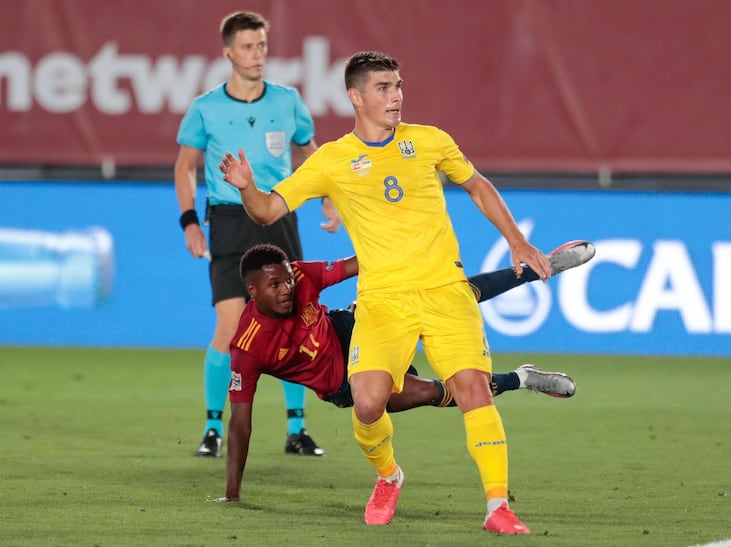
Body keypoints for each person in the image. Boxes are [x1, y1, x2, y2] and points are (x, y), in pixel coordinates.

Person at [219, 51, 558, 534]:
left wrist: (516, 240)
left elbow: (477, 186)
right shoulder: (332, 160)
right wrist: (247, 187)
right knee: (368, 403)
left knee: (473, 390)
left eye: (398, 86)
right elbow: (268, 211)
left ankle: (497, 507)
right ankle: (389, 476)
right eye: (383, 87)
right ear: (355, 97)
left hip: (445, 292)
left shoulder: (430, 140)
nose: (396, 95)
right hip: (382, 302)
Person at [216, 240, 593, 502]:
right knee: (434, 392)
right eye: (275, 285)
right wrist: (233, 492)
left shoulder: (301, 276)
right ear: (253, 291)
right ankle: (522, 379)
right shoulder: (247, 348)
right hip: (344, 385)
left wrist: (398, 247)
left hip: (354, 330)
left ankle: (536, 268)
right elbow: (240, 422)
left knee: (451, 293)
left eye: (288, 280)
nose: (286, 289)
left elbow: (354, 264)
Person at [174, 11, 339, 459]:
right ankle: (213, 428)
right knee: (230, 327)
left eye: (262, 45)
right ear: (228, 52)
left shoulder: (287, 101)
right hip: (228, 221)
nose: (257, 54)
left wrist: (328, 195)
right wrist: (189, 220)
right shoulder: (206, 108)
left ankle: (297, 430)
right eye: (248, 46)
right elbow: (185, 167)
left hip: (278, 215)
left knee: (294, 325)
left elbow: (310, 150)